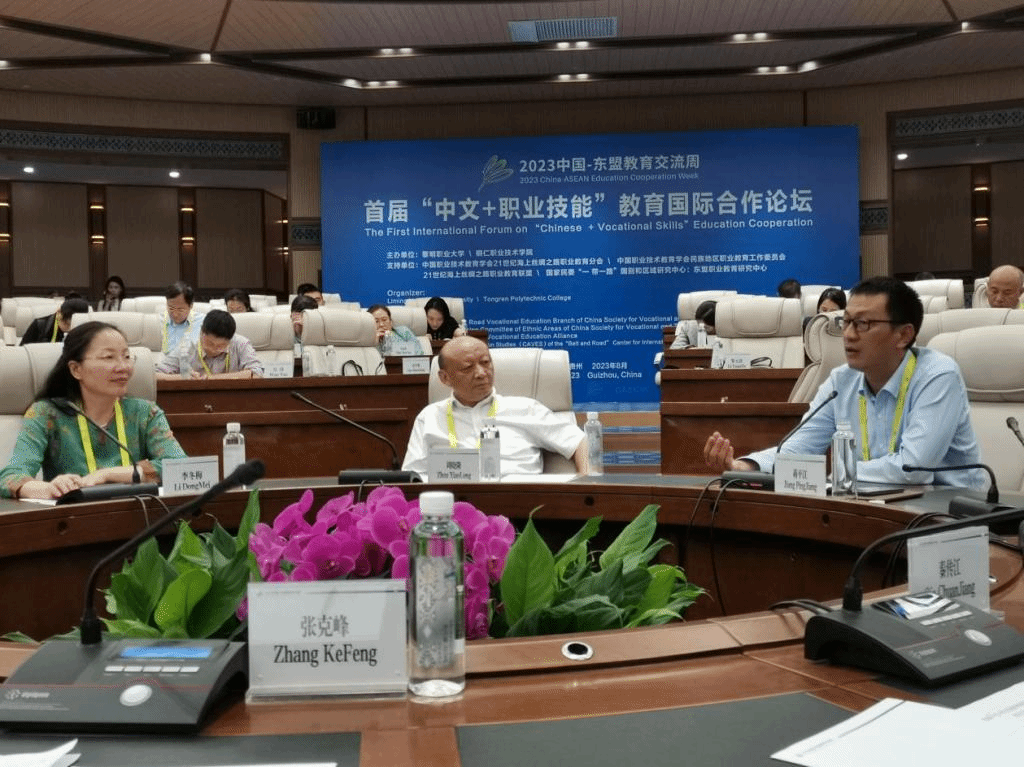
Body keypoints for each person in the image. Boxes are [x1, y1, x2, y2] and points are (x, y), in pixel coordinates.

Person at [704, 276, 986, 489]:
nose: (849, 335)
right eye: (846, 322)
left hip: (947, 515)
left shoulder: (937, 376)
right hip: (873, 502)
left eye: (862, 324)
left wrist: (832, 476)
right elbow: (798, 449)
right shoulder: (841, 380)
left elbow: (913, 468)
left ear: (903, 335)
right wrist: (744, 466)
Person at [0, 321, 187, 500]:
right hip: (74, 518)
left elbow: (181, 468)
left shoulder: (145, 413)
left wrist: (106, 475)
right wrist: (49, 488)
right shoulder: (46, 414)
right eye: (109, 357)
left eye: (127, 356)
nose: (124, 367)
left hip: (138, 515)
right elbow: (11, 478)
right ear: (76, 369)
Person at [402, 336, 588, 480]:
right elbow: (413, 476)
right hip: (454, 508)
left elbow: (579, 442)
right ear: (444, 378)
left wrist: (587, 482)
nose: (481, 373)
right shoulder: (430, 417)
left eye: (485, 362)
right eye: (468, 368)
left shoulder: (525, 408)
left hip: (520, 505)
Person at [156, 309, 263, 380]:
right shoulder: (186, 345)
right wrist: (183, 377)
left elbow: (256, 373)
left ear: (230, 340)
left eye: (220, 346)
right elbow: (155, 375)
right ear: (201, 332)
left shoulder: (241, 344)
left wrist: (211, 378)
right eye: (209, 343)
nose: (213, 349)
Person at [20, 297, 90, 345]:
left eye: (73, 325)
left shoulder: (88, 330)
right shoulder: (40, 325)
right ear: (58, 312)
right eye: (66, 324)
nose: (68, 329)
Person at [163, 281, 204, 355]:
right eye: (171, 308)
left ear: (191, 306)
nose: (175, 314)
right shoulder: (160, 320)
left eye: (180, 310)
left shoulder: (203, 322)